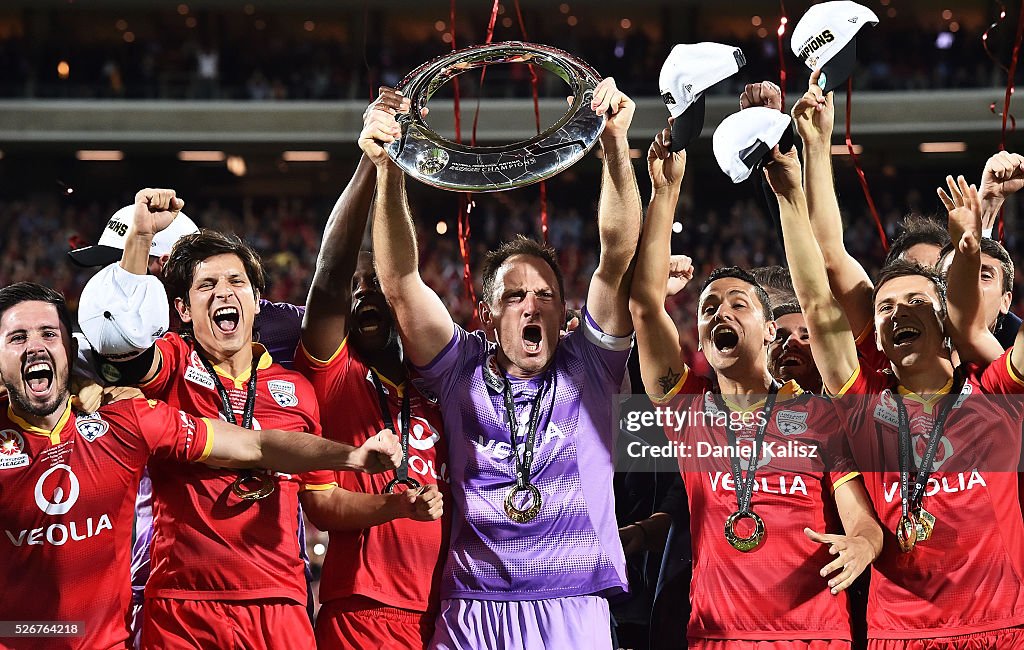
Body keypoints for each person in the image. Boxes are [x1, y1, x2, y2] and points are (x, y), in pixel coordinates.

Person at [359, 79, 641, 649]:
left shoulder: (590, 362)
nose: (531, 305)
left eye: (544, 294)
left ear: (566, 310)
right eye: (514, 296)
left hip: (573, 606)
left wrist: (614, 144)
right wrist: (389, 170)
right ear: (487, 313)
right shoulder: (459, 365)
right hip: (472, 612)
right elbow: (399, 282)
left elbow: (617, 258)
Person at [78, 189, 401, 649]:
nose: (223, 293)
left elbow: (322, 502)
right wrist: (140, 236)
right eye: (206, 286)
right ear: (183, 310)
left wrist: (390, 498)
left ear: (256, 301)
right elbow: (122, 343)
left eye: (235, 283)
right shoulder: (172, 362)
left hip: (280, 604)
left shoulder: (299, 390)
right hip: (181, 604)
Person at [0, 282, 399, 650]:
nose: (35, 347)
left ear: (70, 348)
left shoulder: (125, 419)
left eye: (48, 334)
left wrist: (349, 455)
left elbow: (257, 444)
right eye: (17, 338)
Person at [780, 70, 1024, 647]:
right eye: (884, 307)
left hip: (1000, 627)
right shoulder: (864, 401)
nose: (894, 311)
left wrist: (973, 241)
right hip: (899, 633)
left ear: (948, 329)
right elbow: (821, 291)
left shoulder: (994, 390)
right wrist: (815, 153)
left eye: (916, 300)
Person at [630, 122, 881, 649]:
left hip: (814, 638)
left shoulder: (818, 415)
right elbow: (644, 306)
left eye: (738, 304)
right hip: (716, 638)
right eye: (708, 308)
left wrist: (862, 545)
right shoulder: (687, 412)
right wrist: (665, 192)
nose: (720, 311)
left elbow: (864, 521)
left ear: (770, 330)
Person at [292, 95, 447, 649]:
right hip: (362, 609)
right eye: (360, 289)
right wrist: (372, 160)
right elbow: (330, 274)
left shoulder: (441, 385)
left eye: (377, 284)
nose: (365, 294)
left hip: (454, 608)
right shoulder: (334, 376)